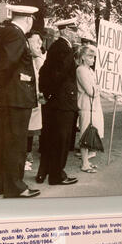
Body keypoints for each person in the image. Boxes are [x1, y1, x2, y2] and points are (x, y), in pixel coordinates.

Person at [0, 5, 41, 198]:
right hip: (16, 98)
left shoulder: (4, 32)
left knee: (3, 141)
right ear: (28, 19)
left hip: (9, 97)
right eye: (32, 19)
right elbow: (7, 64)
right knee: (15, 144)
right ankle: (16, 187)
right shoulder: (17, 35)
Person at [38, 18, 79, 186]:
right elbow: (58, 75)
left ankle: (44, 172)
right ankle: (57, 175)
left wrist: (47, 94)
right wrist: (51, 94)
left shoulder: (56, 47)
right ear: (65, 31)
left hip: (55, 101)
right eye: (73, 30)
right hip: (63, 102)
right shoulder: (65, 49)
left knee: (49, 137)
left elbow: (44, 72)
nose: (76, 34)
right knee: (61, 139)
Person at [76, 45, 104, 173]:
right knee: (85, 134)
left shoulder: (90, 71)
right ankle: (84, 163)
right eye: (90, 56)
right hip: (86, 106)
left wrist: (97, 88)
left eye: (93, 57)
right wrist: (97, 88)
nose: (93, 59)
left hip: (94, 106)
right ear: (83, 57)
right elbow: (91, 90)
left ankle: (87, 160)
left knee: (91, 132)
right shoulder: (81, 70)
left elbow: (96, 88)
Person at [26, 31, 46, 169]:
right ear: (28, 42)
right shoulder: (26, 59)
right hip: (27, 99)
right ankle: (25, 153)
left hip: (37, 98)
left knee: (32, 128)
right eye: (36, 40)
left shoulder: (38, 58)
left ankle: (27, 152)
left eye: (41, 41)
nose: (40, 43)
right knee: (25, 127)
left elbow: (42, 75)